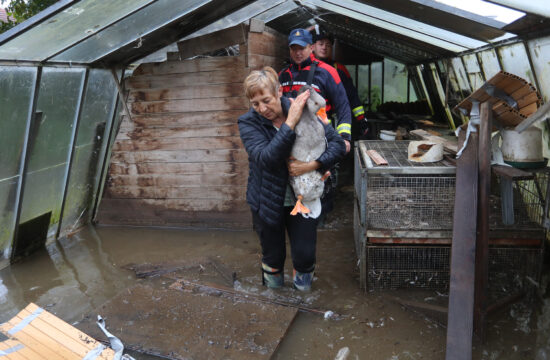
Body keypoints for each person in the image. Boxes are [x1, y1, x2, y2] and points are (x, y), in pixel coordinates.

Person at [238, 67, 345, 291]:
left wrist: (312, 165)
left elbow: (338, 145)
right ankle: (274, 303)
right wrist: (290, 122)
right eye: (255, 103)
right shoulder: (248, 123)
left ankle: (302, 298)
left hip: (304, 197)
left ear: (278, 91)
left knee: (305, 255)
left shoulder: (305, 110)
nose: (262, 108)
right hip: (267, 199)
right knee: (273, 256)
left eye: (266, 100)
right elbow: (267, 158)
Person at [278, 28, 352, 154]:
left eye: (301, 48)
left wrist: (344, 138)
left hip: (320, 140)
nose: (298, 53)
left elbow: (343, 106)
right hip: (289, 140)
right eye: (294, 49)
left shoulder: (327, 72)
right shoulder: (282, 75)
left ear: (311, 47)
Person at [310, 25, 369, 140]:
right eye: (321, 44)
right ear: (313, 47)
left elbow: (352, 96)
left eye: (328, 45)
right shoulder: (306, 68)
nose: (324, 48)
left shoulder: (339, 69)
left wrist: (361, 119)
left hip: (334, 122)